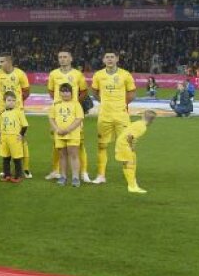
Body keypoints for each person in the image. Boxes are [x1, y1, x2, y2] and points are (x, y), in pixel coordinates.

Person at [90, 51, 136, 184]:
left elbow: (132, 93)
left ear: (117, 59)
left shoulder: (125, 75)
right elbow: (95, 92)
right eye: (107, 57)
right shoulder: (98, 75)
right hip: (104, 116)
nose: (109, 59)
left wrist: (121, 104)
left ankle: (130, 177)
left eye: (112, 57)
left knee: (126, 146)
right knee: (102, 145)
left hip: (121, 116)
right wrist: (106, 103)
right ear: (103, 60)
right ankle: (101, 176)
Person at [46, 50, 89, 182]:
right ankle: (56, 171)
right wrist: (59, 104)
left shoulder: (77, 74)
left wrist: (73, 103)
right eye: (60, 57)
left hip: (73, 113)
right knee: (57, 145)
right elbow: (51, 91)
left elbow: (84, 91)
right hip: (59, 113)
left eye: (65, 57)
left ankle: (83, 172)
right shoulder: (53, 74)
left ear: (71, 58)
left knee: (78, 145)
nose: (62, 59)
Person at [0, 53, 32, 177]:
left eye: (2, 61)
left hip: (17, 110)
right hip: (2, 110)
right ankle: (7, 170)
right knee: (4, 140)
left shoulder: (20, 74)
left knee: (21, 140)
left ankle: (25, 168)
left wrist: (17, 103)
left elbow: (26, 91)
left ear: (9, 62)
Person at [48, 83, 85, 188]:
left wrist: (68, 129)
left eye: (67, 91)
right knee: (62, 155)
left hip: (73, 134)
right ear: (59, 93)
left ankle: (75, 177)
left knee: (74, 155)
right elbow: (51, 118)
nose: (65, 93)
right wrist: (56, 129)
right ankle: (63, 176)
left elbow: (79, 119)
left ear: (71, 93)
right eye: (63, 91)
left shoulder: (76, 104)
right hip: (59, 134)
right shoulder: (56, 104)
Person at [114, 110, 157, 194]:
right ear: (152, 120)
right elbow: (130, 136)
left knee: (131, 162)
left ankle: (133, 183)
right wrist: (131, 146)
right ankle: (132, 186)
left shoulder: (138, 123)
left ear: (143, 116)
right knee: (129, 163)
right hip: (124, 144)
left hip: (122, 142)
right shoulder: (143, 127)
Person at [0, 91, 29, 183]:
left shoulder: (19, 112)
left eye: (13, 100)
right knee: (5, 157)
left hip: (15, 138)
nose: (11, 102)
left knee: (16, 158)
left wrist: (21, 135)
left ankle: (18, 175)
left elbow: (25, 125)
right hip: (4, 138)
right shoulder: (1, 113)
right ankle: (7, 175)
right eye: (9, 100)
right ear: (4, 101)